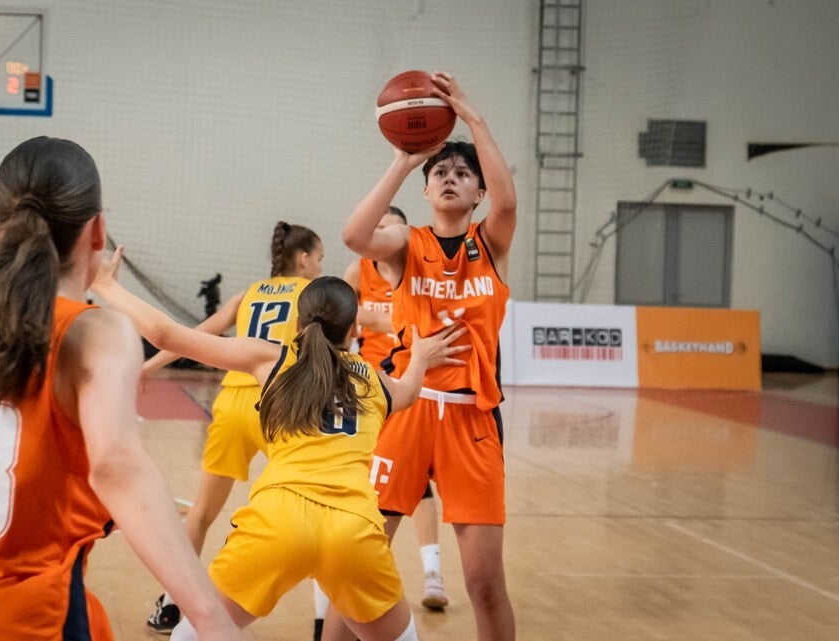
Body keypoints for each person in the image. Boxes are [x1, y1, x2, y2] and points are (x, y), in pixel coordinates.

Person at [0, 136, 243, 641]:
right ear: (98, 231)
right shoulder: (93, 333)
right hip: (38, 622)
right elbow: (116, 466)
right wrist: (209, 617)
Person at [90, 260, 470, 641]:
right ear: (354, 329)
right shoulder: (375, 380)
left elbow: (165, 334)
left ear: (299, 323)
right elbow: (410, 392)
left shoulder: (271, 359)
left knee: (191, 635)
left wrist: (106, 286)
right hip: (353, 530)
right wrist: (421, 357)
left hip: (279, 522)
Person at [335, 71, 519, 641]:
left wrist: (473, 118)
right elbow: (354, 236)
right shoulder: (406, 245)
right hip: (407, 409)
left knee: (484, 583)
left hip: (471, 420)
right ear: (426, 190)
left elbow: (510, 200)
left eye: (463, 173)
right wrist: (404, 159)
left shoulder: (491, 243)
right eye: (441, 172)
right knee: (358, 562)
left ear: (478, 193)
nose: (450, 178)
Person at [141, 221, 324, 634]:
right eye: (319, 258)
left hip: (231, 404)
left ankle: (170, 605)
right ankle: (323, 620)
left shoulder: (249, 294)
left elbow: (198, 333)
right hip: (277, 404)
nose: (320, 266)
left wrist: (149, 365)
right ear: (303, 259)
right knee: (319, 508)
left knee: (202, 512)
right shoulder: (312, 294)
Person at [343, 206, 450, 612]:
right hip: (370, 387)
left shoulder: (418, 269)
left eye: (390, 229)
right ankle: (360, 570)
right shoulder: (358, 271)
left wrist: (381, 321)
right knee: (369, 483)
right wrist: (366, 319)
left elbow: (427, 324)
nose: (383, 236)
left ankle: (432, 573)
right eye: (378, 229)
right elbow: (337, 315)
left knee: (418, 482)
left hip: (411, 386)